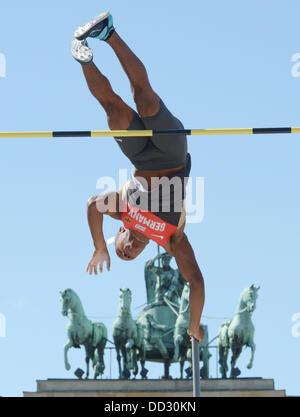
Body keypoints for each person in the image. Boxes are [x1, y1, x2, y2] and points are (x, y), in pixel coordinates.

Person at [72, 12, 205, 343]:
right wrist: (193, 324)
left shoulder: (124, 212)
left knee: (115, 111)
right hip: (173, 156)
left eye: (120, 251)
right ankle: (104, 40)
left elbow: (92, 205)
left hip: (140, 158)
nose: (126, 252)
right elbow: (196, 281)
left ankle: (94, 47)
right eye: (127, 256)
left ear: (120, 233)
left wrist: (99, 247)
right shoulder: (171, 240)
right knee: (145, 103)